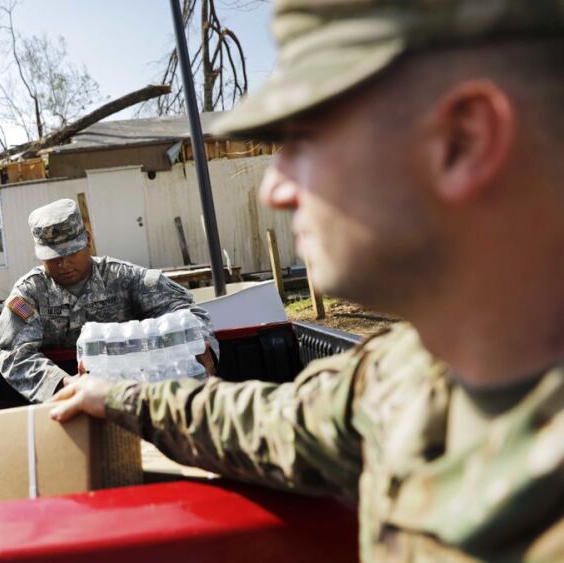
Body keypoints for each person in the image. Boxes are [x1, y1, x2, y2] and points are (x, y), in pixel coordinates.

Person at [50, 1, 563, 560]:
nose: (276, 189)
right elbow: (269, 423)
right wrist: (119, 397)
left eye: (306, 139)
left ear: (462, 142)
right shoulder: (407, 375)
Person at [0, 198, 219, 403]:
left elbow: (187, 311)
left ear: (88, 240)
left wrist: (201, 346)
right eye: (53, 258)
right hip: (63, 401)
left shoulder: (123, 277)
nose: (64, 264)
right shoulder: (30, 293)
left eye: (71, 252)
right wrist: (65, 384)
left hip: (130, 396)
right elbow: (12, 353)